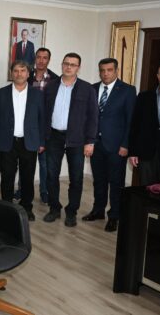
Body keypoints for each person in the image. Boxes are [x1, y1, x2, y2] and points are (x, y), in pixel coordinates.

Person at [43, 52, 98, 227]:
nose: (69, 67)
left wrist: (90, 141)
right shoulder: (50, 86)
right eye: (66, 63)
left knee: (76, 177)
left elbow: (93, 117)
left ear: (78, 68)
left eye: (73, 65)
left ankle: (71, 211)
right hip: (53, 137)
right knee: (51, 175)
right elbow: (43, 113)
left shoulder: (87, 89)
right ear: (62, 64)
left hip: (77, 138)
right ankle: (54, 208)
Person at [83, 58, 136, 232]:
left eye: (109, 70)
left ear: (116, 71)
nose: (105, 73)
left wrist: (126, 145)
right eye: (102, 70)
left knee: (116, 182)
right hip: (95, 144)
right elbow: (88, 117)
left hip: (116, 146)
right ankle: (98, 210)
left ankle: (114, 216)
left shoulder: (127, 90)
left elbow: (130, 121)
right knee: (98, 180)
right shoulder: (92, 89)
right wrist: (88, 141)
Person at [0, 60, 45, 221]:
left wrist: (42, 142)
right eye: (16, 70)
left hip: (29, 141)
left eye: (23, 71)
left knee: (27, 177)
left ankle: (27, 208)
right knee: (7, 176)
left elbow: (43, 119)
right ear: (11, 73)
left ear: (28, 74)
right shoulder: (0, 93)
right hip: (7, 141)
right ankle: (7, 207)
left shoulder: (38, 95)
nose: (19, 74)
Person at [24, 47, 59, 204]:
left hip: (46, 127)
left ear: (49, 60)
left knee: (45, 164)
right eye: (38, 57)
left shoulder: (55, 80)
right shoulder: (26, 76)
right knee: (26, 163)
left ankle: (44, 191)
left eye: (45, 58)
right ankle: (23, 190)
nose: (41, 60)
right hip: (28, 126)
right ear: (35, 58)